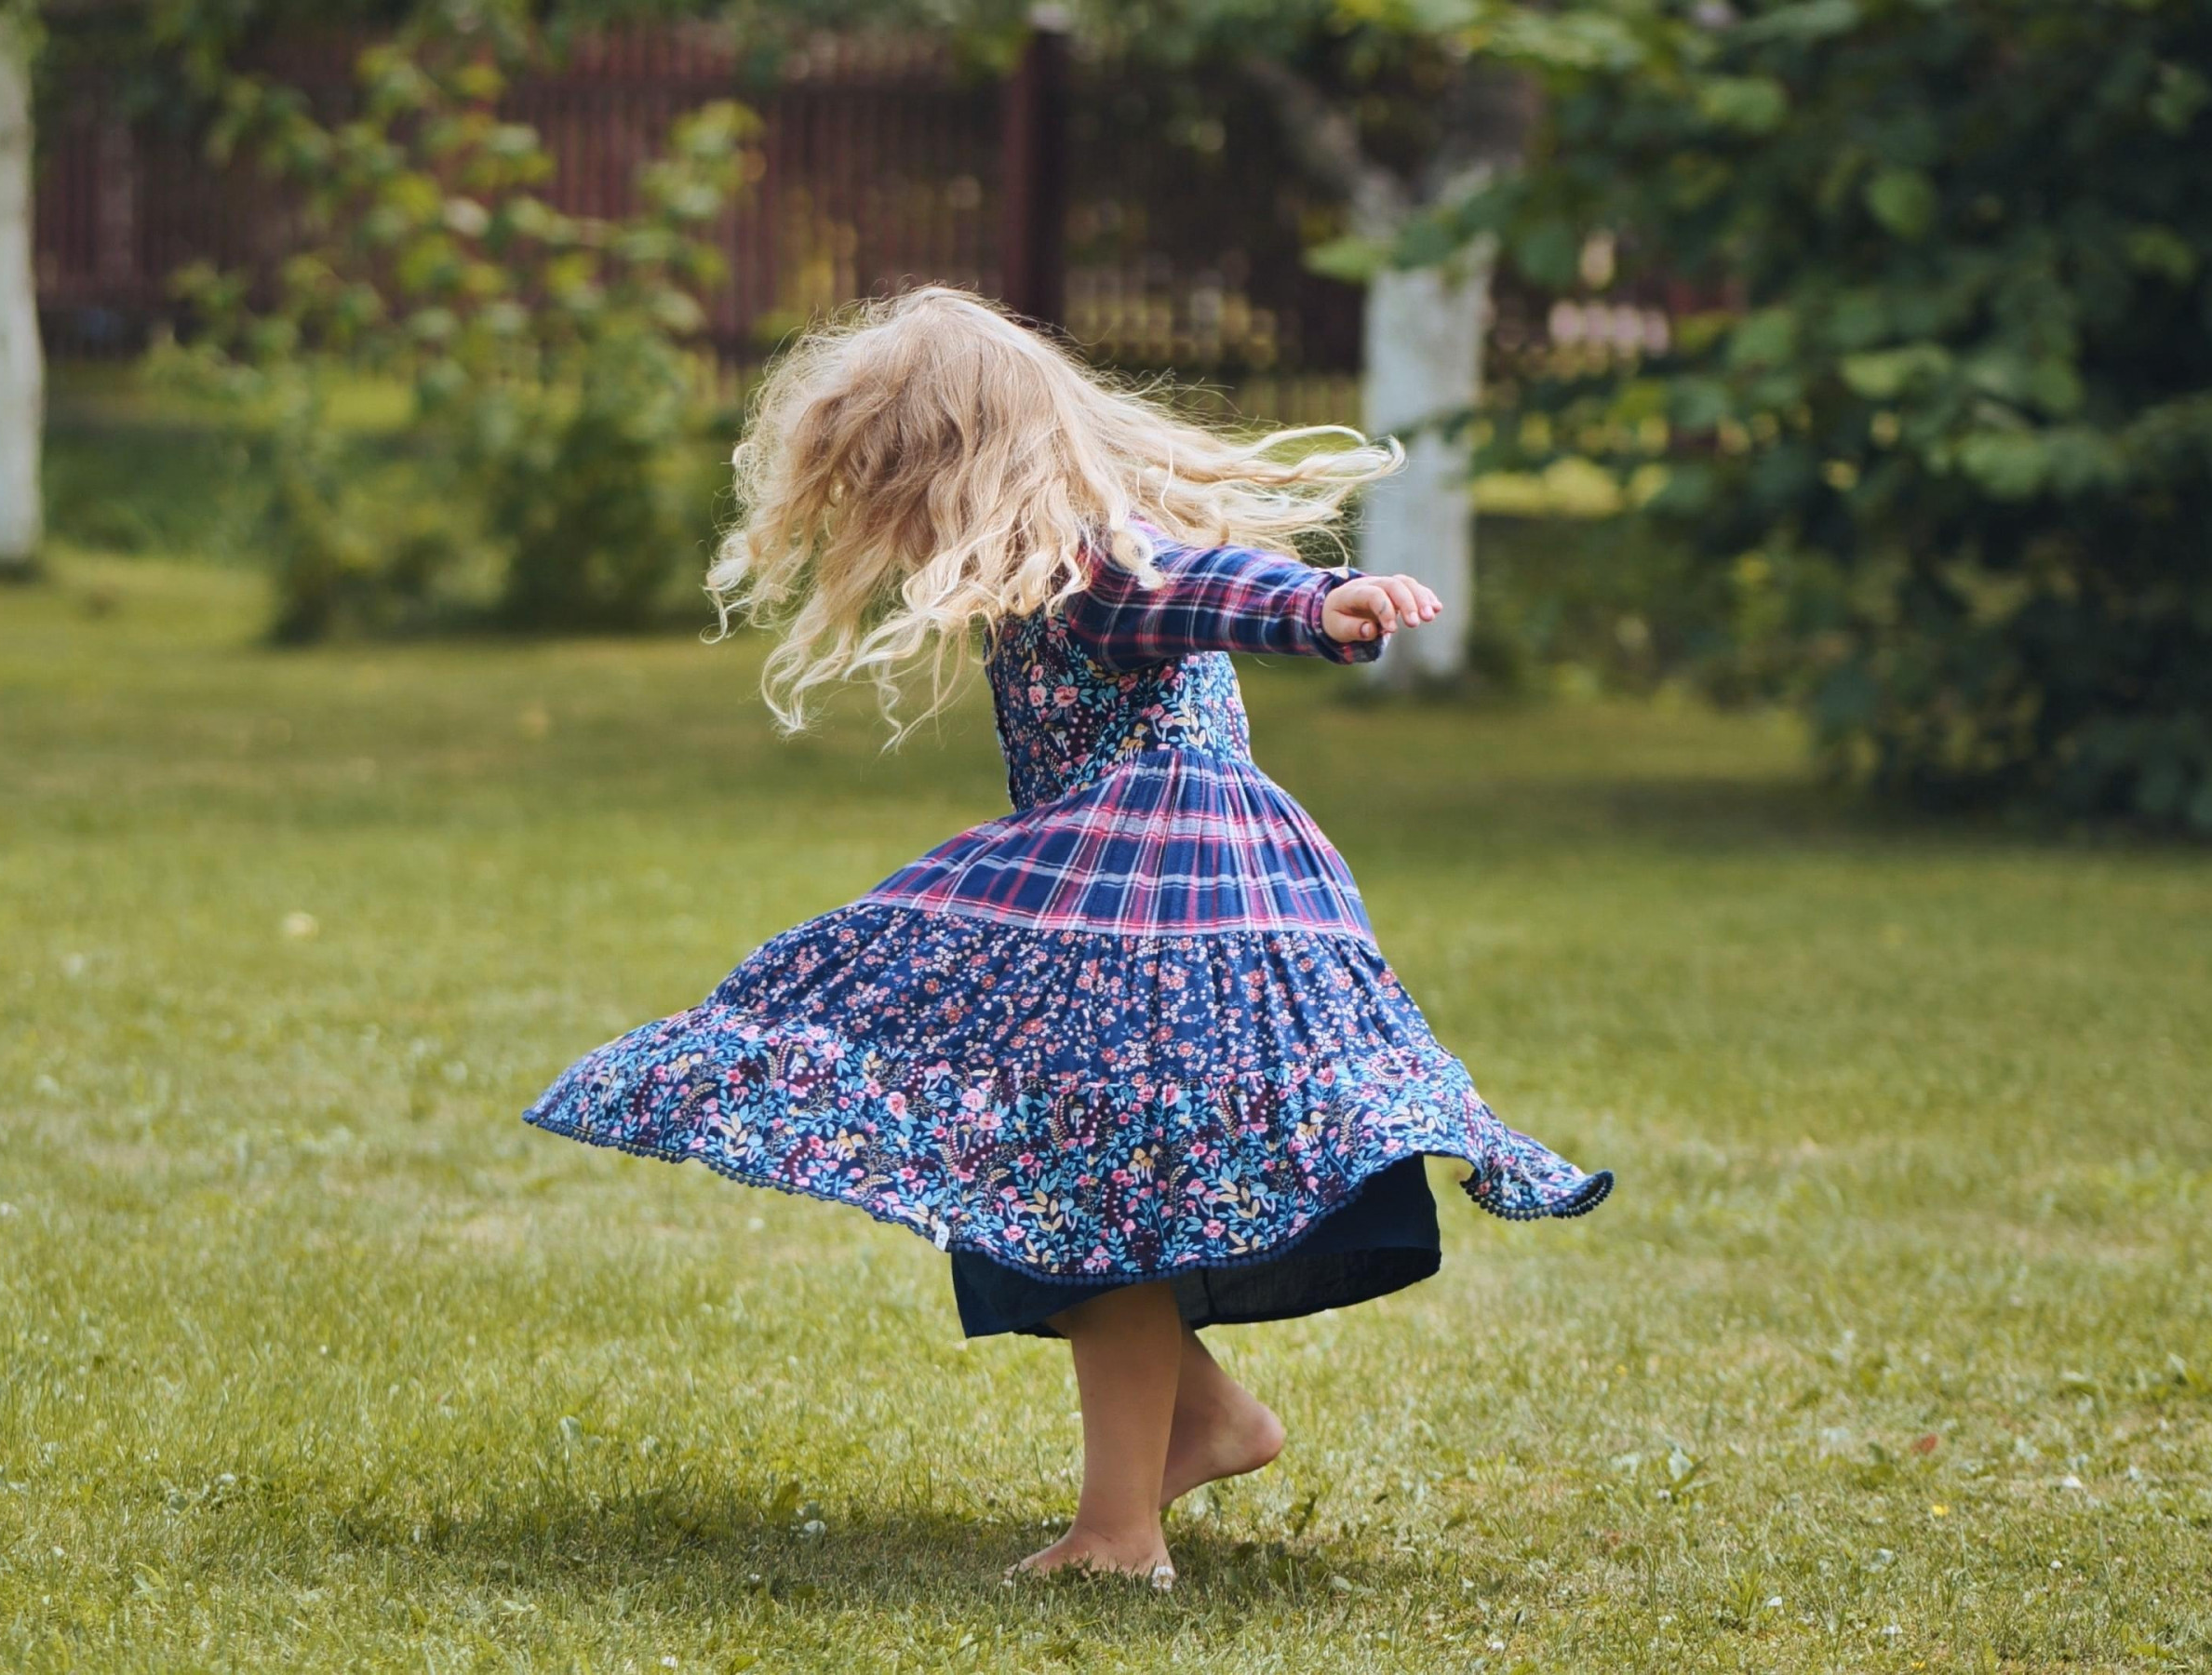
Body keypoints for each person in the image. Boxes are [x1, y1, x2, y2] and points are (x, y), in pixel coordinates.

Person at [523, 288, 1610, 1586]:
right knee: (1050, 1167)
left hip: (1162, 898)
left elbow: (1197, 586)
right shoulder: (1058, 565)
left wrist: (1314, 607)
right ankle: (1206, 1423)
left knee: (1093, 1186)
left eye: (895, 487)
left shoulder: (1089, 561)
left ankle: (1117, 1534)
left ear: (954, 462)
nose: (894, 524)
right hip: (1146, 897)